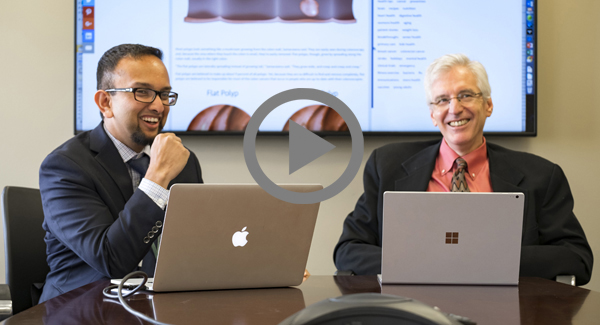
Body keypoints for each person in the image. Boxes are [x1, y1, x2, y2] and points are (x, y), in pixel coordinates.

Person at [334, 54, 593, 285]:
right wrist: (428, 262)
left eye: (466, 95)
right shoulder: (386, 166)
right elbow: (349, 250)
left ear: (488, 105)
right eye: (442, 100)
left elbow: (576, 259)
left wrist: (486, 261)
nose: (455, 108)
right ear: (433, 114)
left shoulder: (542, 175)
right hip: (411, 310)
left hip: (507, 312)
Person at [39, 44, 203, 302]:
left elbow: (197, 245)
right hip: (83, 308)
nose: (159, 107)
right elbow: (111, 260)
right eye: (143, 92)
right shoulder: (64, 167)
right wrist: (157, 178)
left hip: (162, 306)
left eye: (164, 94)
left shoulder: (184, 161)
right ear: (106, 102)